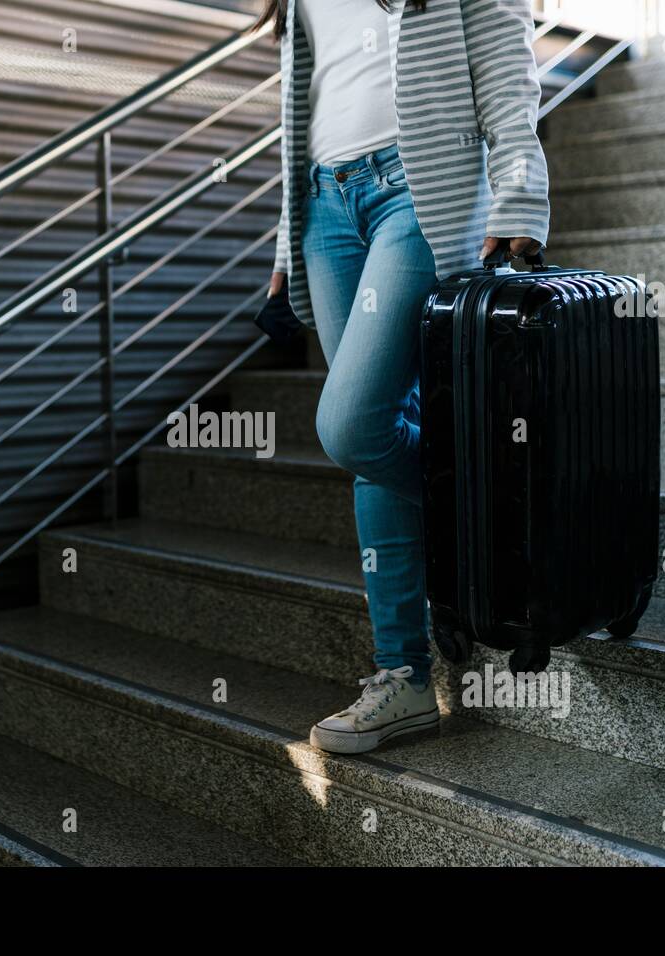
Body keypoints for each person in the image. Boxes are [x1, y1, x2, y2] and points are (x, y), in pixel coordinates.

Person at [255, 0, 550, 754]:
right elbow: (313, 96)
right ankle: (404, 678)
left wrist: (520, 187)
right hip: (325, 205)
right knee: (373, 445)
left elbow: (503, 49)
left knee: (349, 425)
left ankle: (498, 517)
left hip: (418, 189)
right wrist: (288, 243)